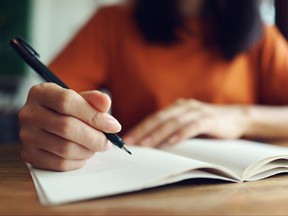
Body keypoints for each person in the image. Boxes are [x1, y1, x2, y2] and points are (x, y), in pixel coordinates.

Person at [19, 0, 288, 171]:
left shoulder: (263, 37)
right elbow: (56, 101)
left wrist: (243, 117)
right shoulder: (110, 23)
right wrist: (51, 121)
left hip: (246, 194)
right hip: (136, 184)